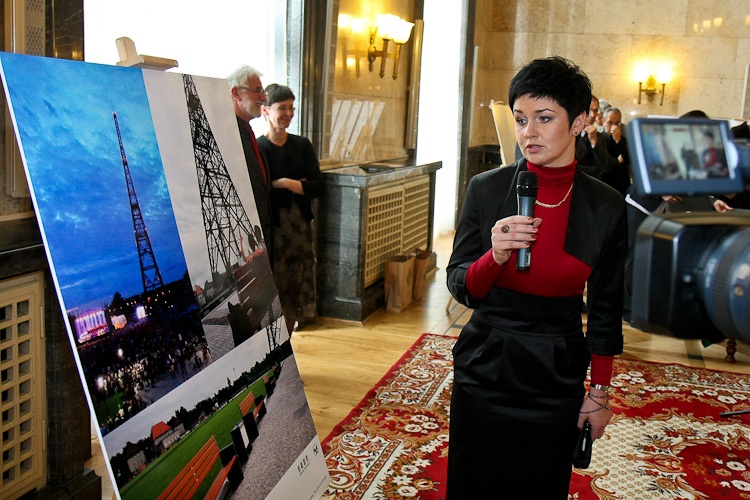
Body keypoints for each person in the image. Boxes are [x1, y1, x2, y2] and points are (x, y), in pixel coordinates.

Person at [446, 56, 626, 498]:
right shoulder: (486, 188)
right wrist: (495, 256)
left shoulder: (605, 205)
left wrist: (599, 393)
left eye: (544, 118)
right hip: (486, 366)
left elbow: (606, 307)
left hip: (555, 373)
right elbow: (462, 285)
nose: (529, 132)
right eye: (521, 118)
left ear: (578, 121)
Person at [257, 84, 323, 332]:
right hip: (274, 229)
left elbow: (318, 185)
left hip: (301, 227)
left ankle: (291, 334)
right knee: (279, 285)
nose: (289, 113)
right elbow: (262, 191)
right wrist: (299, 185)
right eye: (282, 108)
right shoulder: (259, 147)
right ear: (266, 110)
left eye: (291, 108)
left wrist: (284, 182)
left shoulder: (301, 144)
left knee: (299, 282)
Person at [228, 65, 274, 262]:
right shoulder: (225, 136)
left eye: (263, 91)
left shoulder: (248, 133)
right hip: (244, 249)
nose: (263, 97)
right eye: (257, 90)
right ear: (236, 93)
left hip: (263, 240)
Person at [599, 106, 631, 196]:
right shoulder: (599, 139)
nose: (613, 126)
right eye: (610, 122)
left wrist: (618, 141)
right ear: (603, 121)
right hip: (604, 183)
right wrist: (617, 161)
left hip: (621, 184)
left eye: (617, 123)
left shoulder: (624, 140)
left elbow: (628, 160)